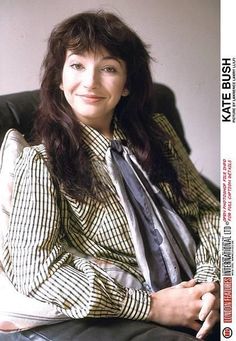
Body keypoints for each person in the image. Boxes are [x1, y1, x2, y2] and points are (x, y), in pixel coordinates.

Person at [2, 10, 220, 341]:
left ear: (127, 84)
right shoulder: (41, 162)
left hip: (200, 290)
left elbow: (208, 211)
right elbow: (36, 269)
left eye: (108, 68)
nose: (89, 81)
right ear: (59, 79)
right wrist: (149, 307)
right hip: (132, 308)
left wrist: (211, 283)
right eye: (76, 65)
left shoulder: (158, 133)